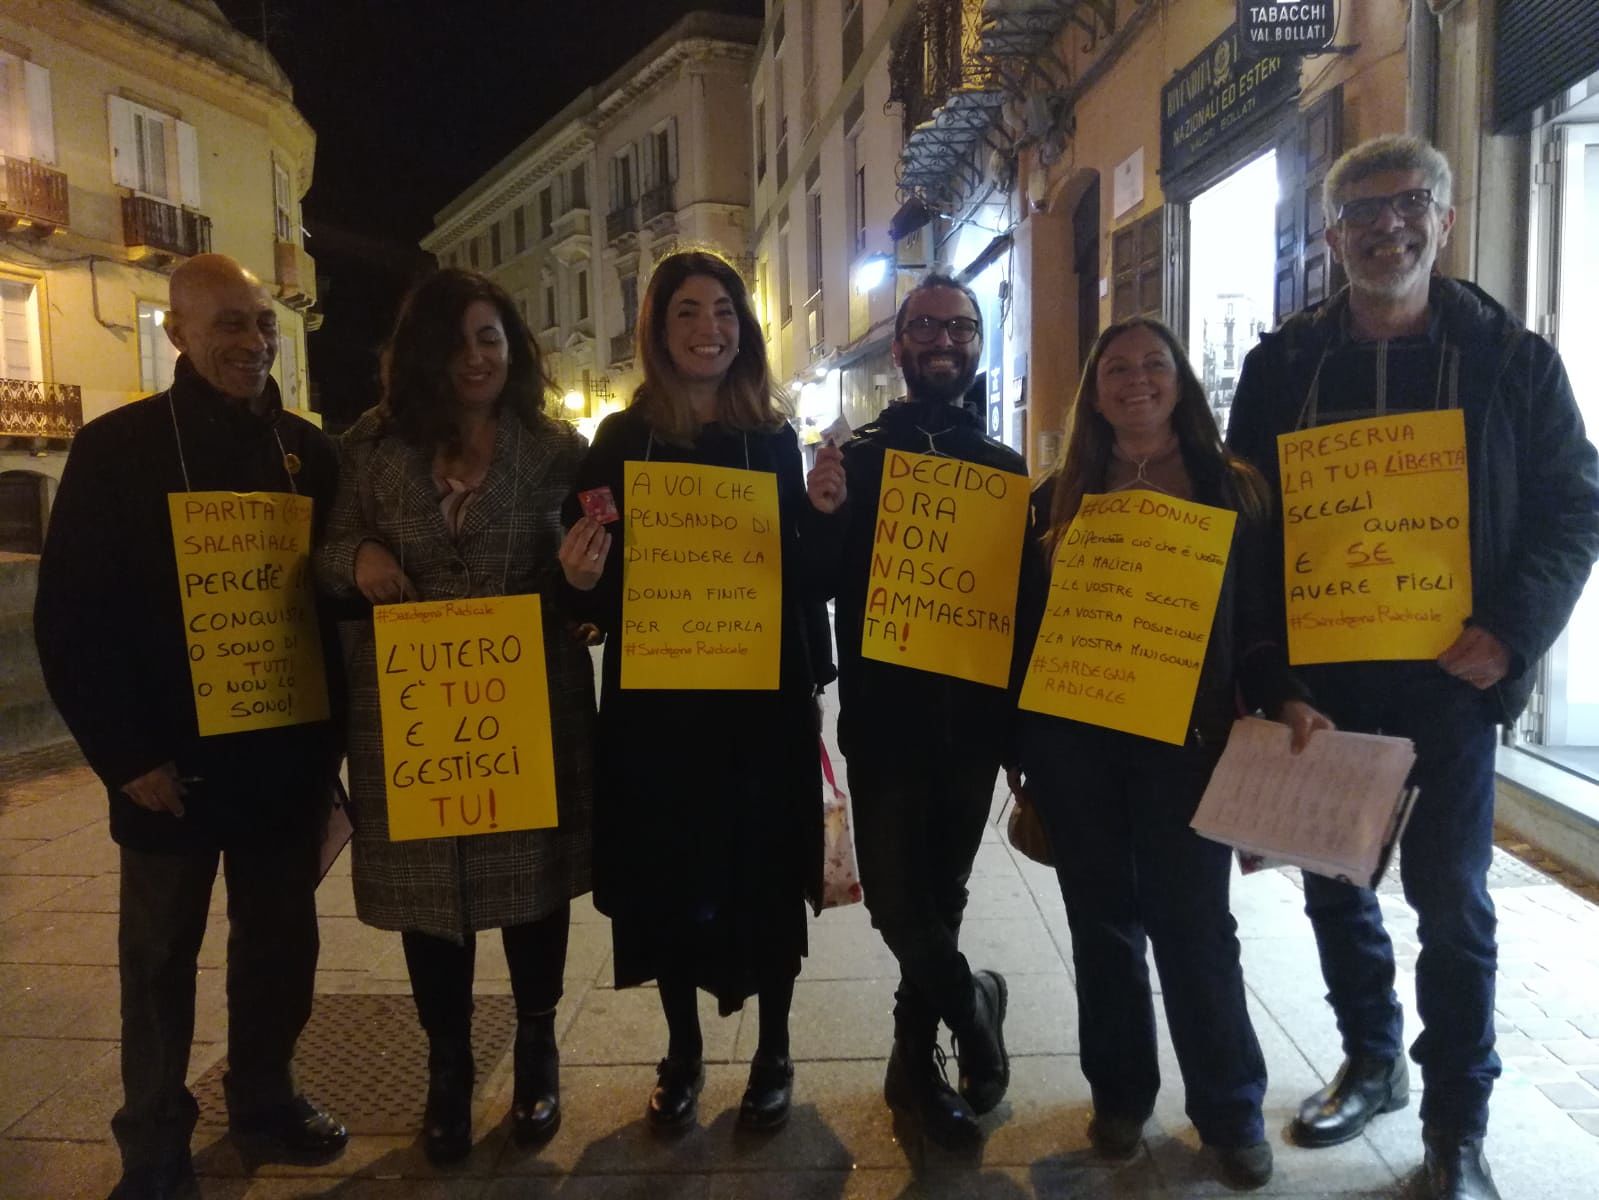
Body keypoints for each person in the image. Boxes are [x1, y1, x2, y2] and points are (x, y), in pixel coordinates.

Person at [1227, 135, 1599, 1200]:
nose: (1389, 227)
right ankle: (1374, 1058)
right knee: (1336, 886)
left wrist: (1511, 631)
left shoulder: (1512, 362)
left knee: (1455, 903)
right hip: (1327, 683)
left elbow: (1575, 508)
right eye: (1364, 213)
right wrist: (1271, 671)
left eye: (1410, 206)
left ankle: (1456, 1126)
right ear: (1333, 237)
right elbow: (1251, 526)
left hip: (1453, 680)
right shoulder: (1282, 367)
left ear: (1444, 219)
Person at [34, 254, 348, 1200]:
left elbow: (332, 599)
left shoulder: (309, 451)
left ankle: (263, 1098)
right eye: (227, 326)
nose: (251, 343)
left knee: (280, 941)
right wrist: (126, 756)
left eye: (259, 324)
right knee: (160, 954)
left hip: (284, 758)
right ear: (174, 334)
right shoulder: (117, 448)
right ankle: (155, 1140)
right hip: (166, 765)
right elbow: (69, 617)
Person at [1008, 317, 1332, 1188]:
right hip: (1076, 747)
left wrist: (1288, 696)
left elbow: (1259, 626)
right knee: (1102, 928)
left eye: (1154, 364)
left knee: (1197, 930)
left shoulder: (1235, 493)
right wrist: (1018, 747)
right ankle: (1118, 1097)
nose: (1136, 380)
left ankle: (1227, 1110)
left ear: (1181, 381)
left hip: (1189, 748)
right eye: (1116, 367)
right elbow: (1026, 633)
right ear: (1094, 391)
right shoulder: (1055, 498)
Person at [313, 269, 595, 1161]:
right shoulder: (371, 446)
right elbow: (320, 555)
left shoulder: (556, 450)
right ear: (424, 353)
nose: (475, 356)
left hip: (527, 698)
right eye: (457, 340)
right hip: (412, 712)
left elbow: (595, 570)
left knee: (531, 887)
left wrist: (586, 579)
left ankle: (539, 1046)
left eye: (490, 337)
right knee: (432, 901)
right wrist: (357, 555)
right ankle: (447, 1067)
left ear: (512, 347)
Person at [561, 250, 830, 1133]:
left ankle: (776, 1048)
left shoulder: (773, 438)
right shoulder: (621, 440)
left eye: (722, 311)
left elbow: (804, 574)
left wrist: (822, 515)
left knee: (764, 866)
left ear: (743, 329)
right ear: (658, 328)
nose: (707, 328)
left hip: (758, 706)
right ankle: (680, 1050)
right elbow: (592, 584)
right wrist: (579, 576)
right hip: (661, 711)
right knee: (666, 872)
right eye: (686, 311)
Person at [803, 274, 1018, 1149]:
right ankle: (971, 1006)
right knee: (895, 898)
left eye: (960, 328)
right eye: (925, 326)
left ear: (977, 344)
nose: (943, 341)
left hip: (971, 727)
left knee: (943, 892)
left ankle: (909, 1064)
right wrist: (820, 517)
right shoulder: (854, 462)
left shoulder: (1005, 472)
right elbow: (813, 586)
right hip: (886, 723)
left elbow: (1022, 607)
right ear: (897, 346)